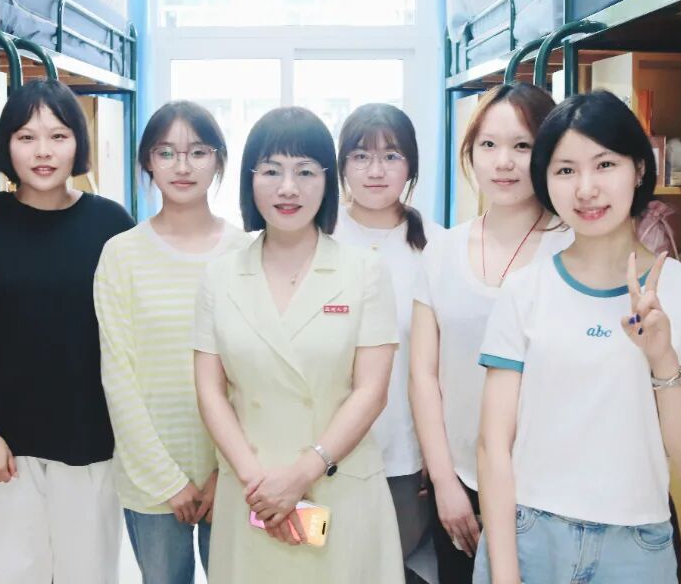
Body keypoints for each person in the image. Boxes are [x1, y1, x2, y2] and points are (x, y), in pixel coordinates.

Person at [474, 91, 681, 584]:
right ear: (546, 180)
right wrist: (504, 575)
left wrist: (662, 357)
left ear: (639, 169)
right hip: (529, 535)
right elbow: (492, 446)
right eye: (565, 170)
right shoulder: (525, 290)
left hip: (635, 549)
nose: (586, 189)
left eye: (605, 164)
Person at [0, 79, 134, 583]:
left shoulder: (111, 225)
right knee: (14, 574)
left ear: (78, 143)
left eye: (58, 136)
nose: (43, 152)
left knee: (90, 575)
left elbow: (134, 337)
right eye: (26, 137)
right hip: (4, 444)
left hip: (91, 440)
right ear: (6, 145)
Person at [193, 106, 404, 583]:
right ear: (250, 180)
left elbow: (371, 391)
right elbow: (210, 391)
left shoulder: (365, 271)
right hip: (252, 491)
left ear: (327, 181)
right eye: (271, 171)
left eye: (305, 171)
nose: (288, 188)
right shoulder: (220, 276)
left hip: (337, 484)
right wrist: (260, 485)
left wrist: (302, 474)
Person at [408, 83, 571, 584]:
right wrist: (444, 484)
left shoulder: (574, 247)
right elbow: (423, 375)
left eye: (522, 146)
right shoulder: (441, 251)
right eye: (488, 145)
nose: (504, 162)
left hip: (554, 487)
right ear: (471, 154)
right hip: (462, 482)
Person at [95, 101, 250, 584]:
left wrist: (228, 471)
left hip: (236, 472)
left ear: (219, 160)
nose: (182, 166)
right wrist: (166, 480)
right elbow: (118, 377)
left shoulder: (245, 252)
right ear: (148, 161)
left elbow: (253, 376)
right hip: (150, 479)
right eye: (166, 153)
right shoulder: (121, 254)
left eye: (198, 152)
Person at [332, 103, 443, 580]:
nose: (376, 171)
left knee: (392, 567)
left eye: (391, 156)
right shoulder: (318, 235)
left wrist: (435, 456)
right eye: (361, 156)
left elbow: (443, 364)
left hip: (403, 455)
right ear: (342, 166)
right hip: (324, 452)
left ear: (411, 166)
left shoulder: (438, 246)